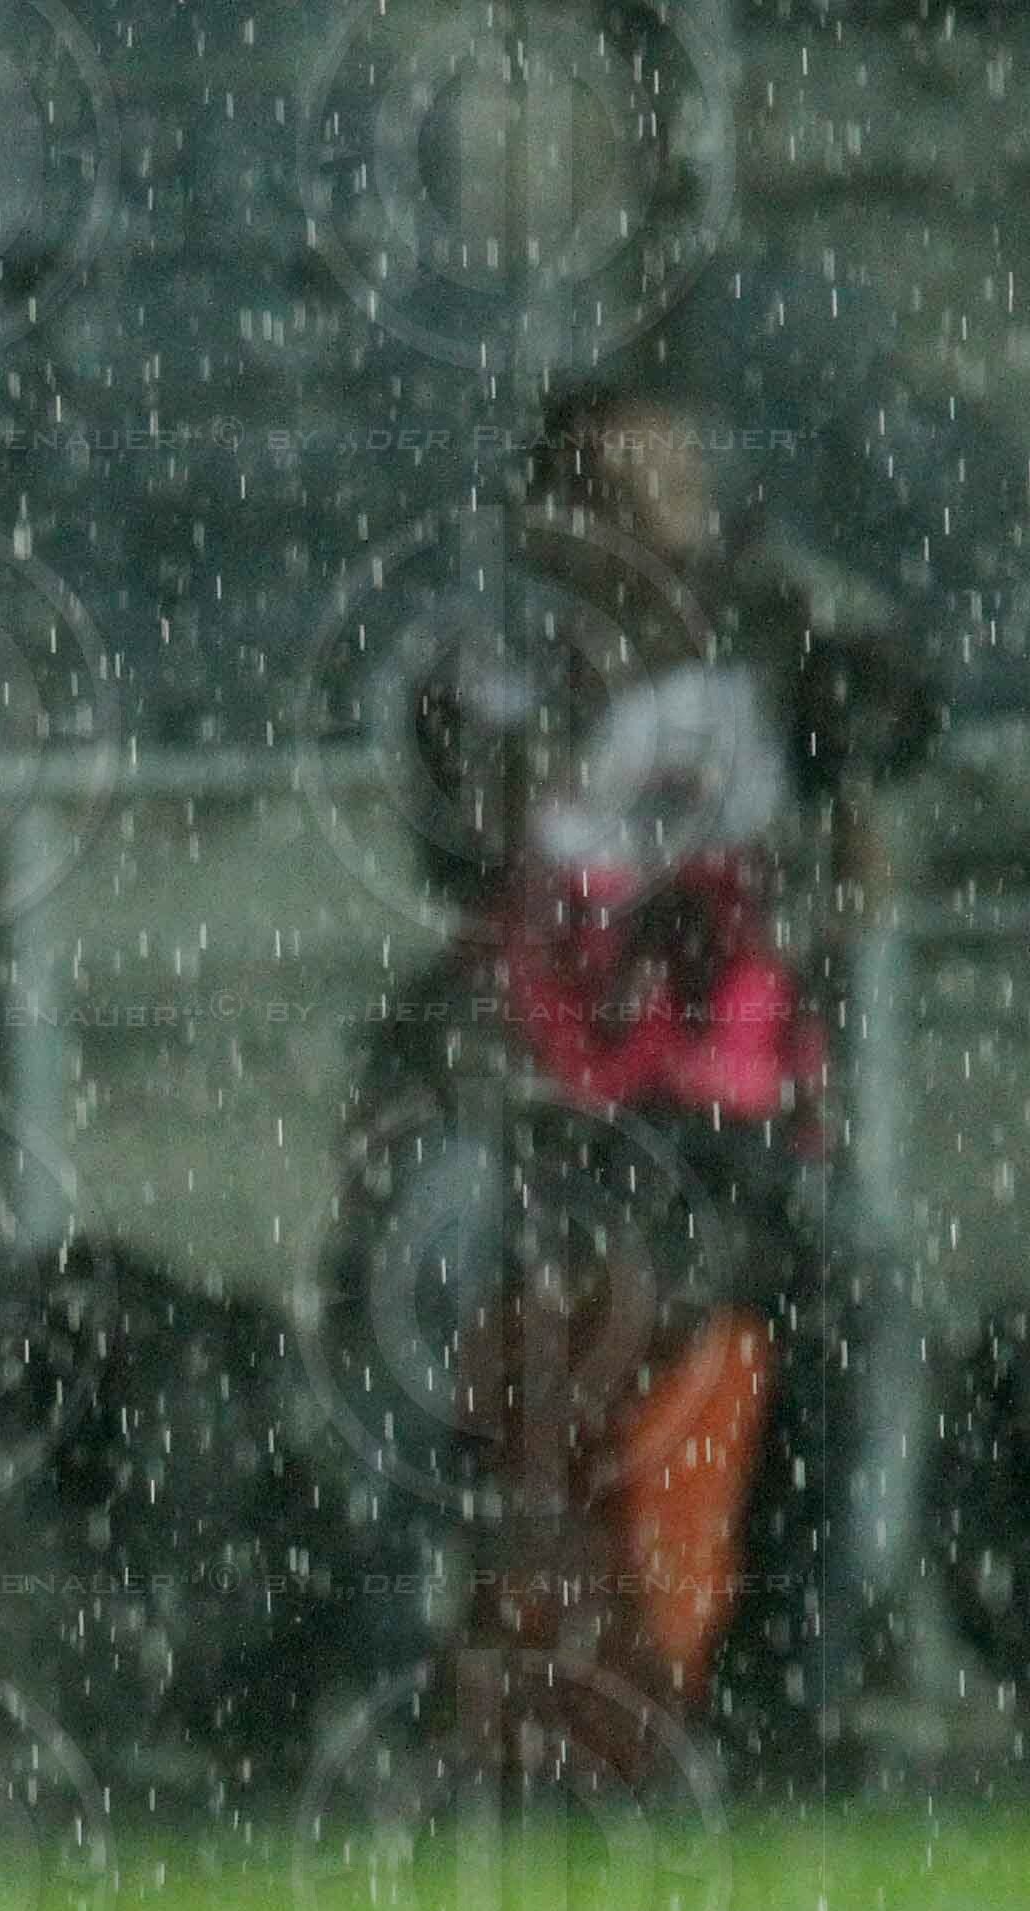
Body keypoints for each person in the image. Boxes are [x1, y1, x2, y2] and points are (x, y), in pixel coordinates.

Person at [363, 378, 938, 1768]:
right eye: (615, 495)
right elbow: (467, 846)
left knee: (859, 1302)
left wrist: (827, 734)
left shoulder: (773, 653)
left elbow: (875, 830)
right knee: (406, 1284)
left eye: (671, 491)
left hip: (730, 1117)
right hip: (548, 1117)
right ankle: (408, 1652)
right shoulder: (493, 675)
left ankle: (792, 1681)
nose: (651, 522)